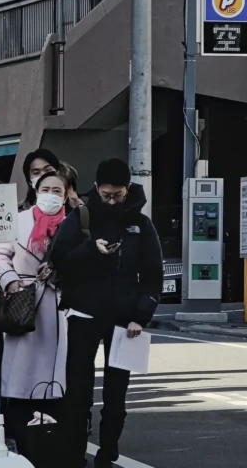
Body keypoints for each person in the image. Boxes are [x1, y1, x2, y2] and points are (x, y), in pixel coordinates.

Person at [50, 157, 163, 468]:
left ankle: (107, 456)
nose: (112, 200)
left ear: (128, 189)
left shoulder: (141, 224)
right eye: (106, 194)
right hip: (84, 314)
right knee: (78, 392)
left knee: (116, 397)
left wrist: (141, 315)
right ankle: (74, 456)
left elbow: (153, 274)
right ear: (96, 188)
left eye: (118, 195)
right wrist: (91, 250)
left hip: (125, 323)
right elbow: (58, 258)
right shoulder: (81, 216)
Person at [0, 172, 68, 458]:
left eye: (56, 190)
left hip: (60, 306)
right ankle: (23, 443)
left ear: (65, 193)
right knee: (21, 377)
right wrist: (11, 280)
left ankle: (49, 445)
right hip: (24, 303)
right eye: (45, 188)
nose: (50, 194)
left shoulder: (73, 224)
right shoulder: (17, 220)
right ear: (35, 191)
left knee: (54, 381)